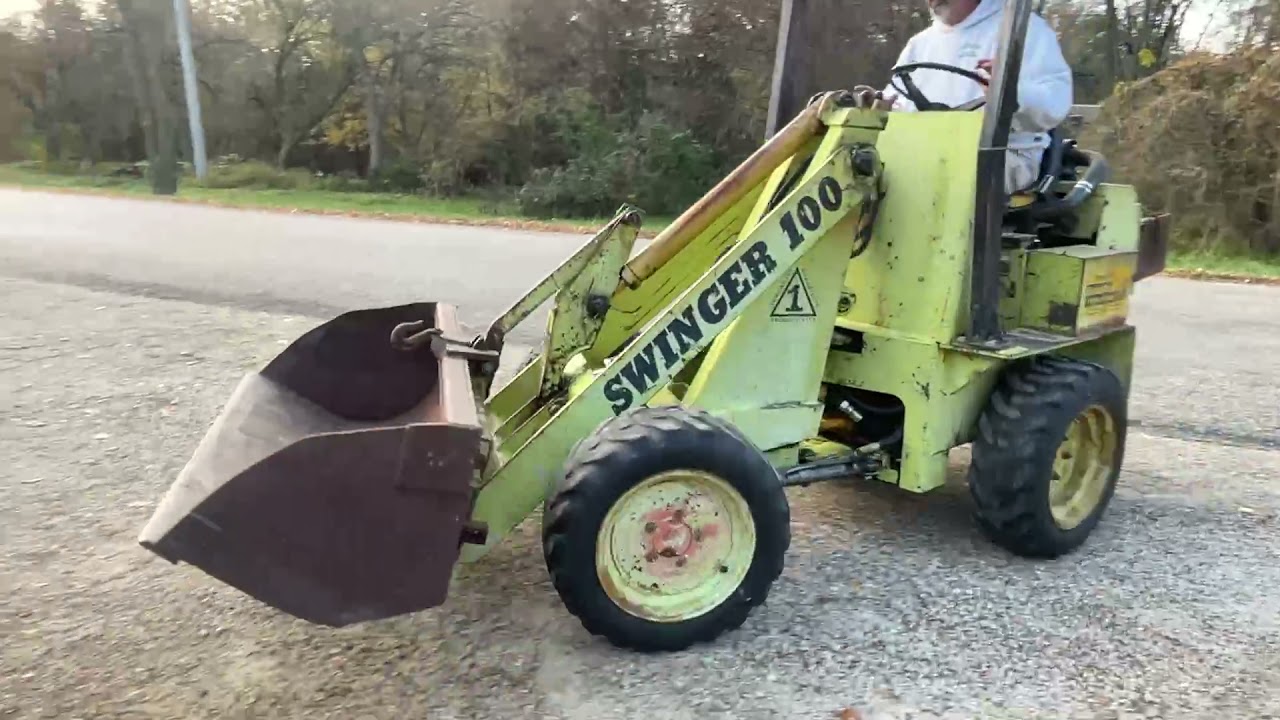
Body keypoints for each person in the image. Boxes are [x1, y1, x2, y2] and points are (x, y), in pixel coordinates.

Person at [856, 0, 1074, 195]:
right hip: (929, 153)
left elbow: (1054, 101)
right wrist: (878, 107)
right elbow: (899, 100)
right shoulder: (920, 44)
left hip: (1002, 156)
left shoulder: (1024, 30)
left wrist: (1011, 93)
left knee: (922, 179)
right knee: (859, 171)